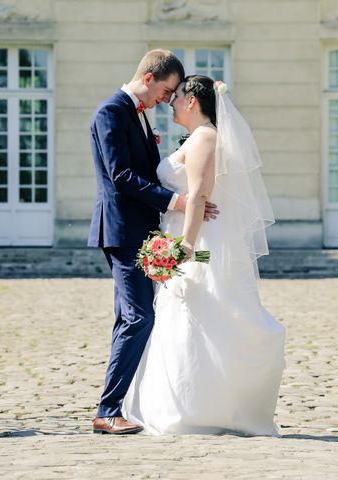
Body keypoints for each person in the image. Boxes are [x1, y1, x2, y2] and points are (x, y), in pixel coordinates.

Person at [123, 75, 286, 436]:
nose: (172, 102)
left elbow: (198, 196)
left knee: (197, 310)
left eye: (177, 96)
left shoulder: (206, 137)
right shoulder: (198, 137)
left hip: (202, 244)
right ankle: (182, 402)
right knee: (187, 312)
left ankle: (198, 407)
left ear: (193, 101)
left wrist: (185, 246)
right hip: (190, 234)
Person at [87, 49, 186, 435]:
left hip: (141, 229)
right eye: (166, 90)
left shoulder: (137, 115)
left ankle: (117, 405)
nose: (167, 98)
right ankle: (108, 410)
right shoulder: (112, 111)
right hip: (123, 230)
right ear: (149, 79)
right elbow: (120, 176)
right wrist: (175, 200)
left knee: (127, 319)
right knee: (139, 317)